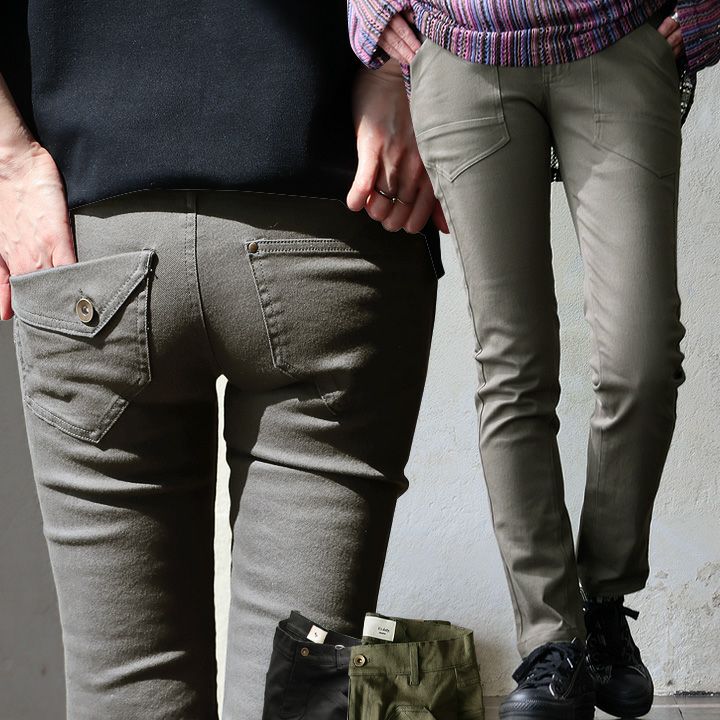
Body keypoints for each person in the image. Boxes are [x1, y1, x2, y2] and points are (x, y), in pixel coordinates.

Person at [0, 2, 447, 718]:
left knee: (125, 693)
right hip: (331, 213)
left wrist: (7, 160)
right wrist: (398, 67)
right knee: (297, 691)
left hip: (90, 237)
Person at [347, 0, 719, 718]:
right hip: (463, 49)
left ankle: (603, 606)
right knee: (512, 363)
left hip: (615, 36)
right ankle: (553, 644)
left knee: (642, 360)